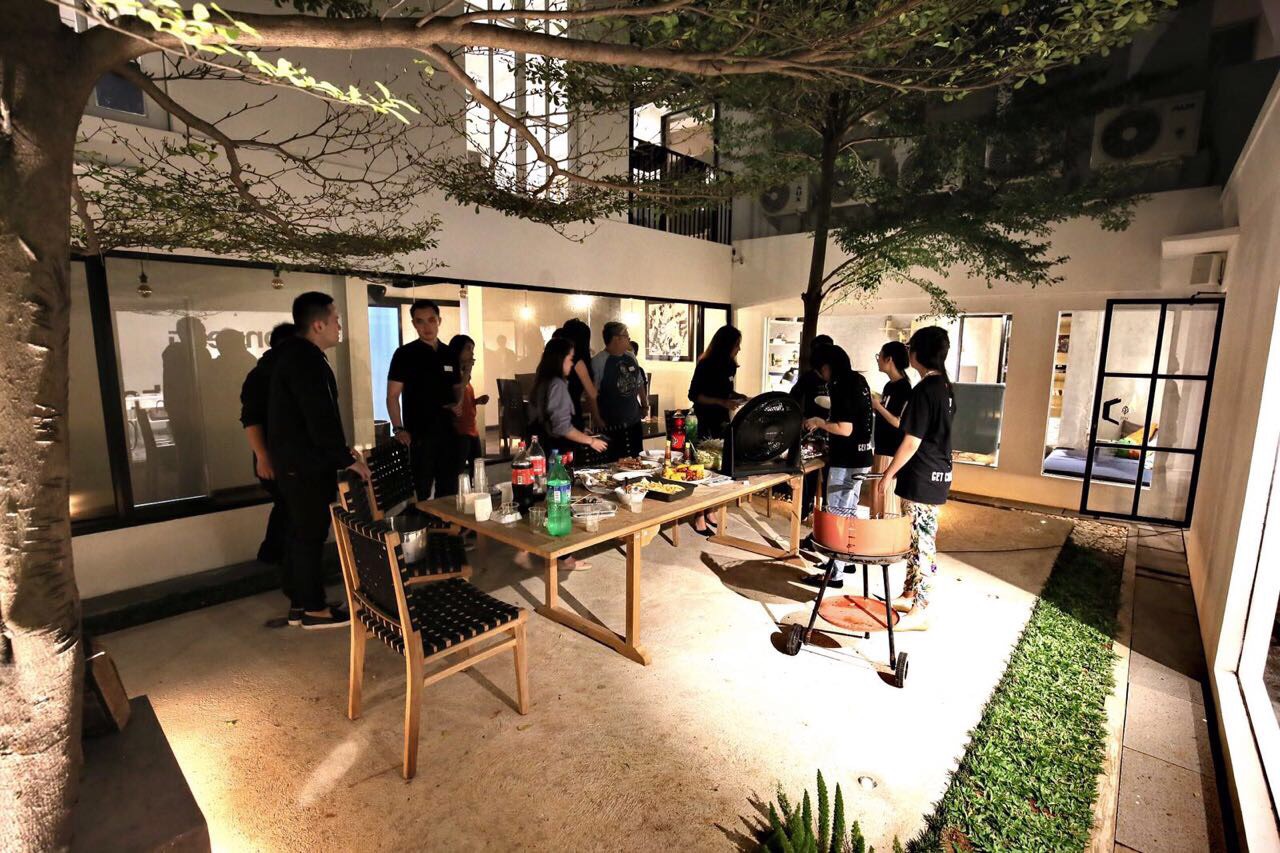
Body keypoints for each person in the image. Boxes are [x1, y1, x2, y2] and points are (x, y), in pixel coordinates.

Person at [269, 292, 369, 629]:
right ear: (318, 325)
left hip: (297, 462)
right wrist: (344, 457)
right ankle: (314, 609)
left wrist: (342, 451)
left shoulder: (296, 356)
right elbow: (319, 416)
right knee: (309, 534)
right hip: (304, 465)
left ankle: (302, 602)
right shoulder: (304, 360)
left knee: (302, 533)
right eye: (336, 319)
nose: (340, 326)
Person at [876, 326, 955, 632]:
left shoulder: (925, 390)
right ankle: (909, 594)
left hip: (923, 475)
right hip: (937, 471)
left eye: (911, 347)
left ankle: (921, 608)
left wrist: (888, 474)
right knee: (916, 538)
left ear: (920, 353)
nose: (908, 352)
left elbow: (911, 441)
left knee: (923, 543)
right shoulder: (945, 386)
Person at [519, 337, 608, 572]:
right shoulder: (557, 384)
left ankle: (531, 549)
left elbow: (549, 420)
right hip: (554, 452)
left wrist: (580, 432)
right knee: (559, 501)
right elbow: (561, 427)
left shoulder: (541, 381)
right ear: (560, 359)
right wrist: (591, 441)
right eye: (569, 359)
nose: (571, 364)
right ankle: (564, 559)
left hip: (539, 450)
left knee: (543, 499)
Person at [799, 345, 874, 589]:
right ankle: (846, 560)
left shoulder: (840, 384)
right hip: (863, 456)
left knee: (836, 515)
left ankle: (834, 574)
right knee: (849, 511)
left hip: (847, 459)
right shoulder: (859, 380)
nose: (822, 376)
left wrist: (819, 422)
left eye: (821, 371)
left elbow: (844, 428)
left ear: (826, 366)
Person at [387, 299, 462, 500]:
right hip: (419, 433)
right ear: (414, 324)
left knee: (449, 488)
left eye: (431, 320)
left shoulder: (449, 353)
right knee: (420, 489)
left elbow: (457, 386)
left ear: (439, 321)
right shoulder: (404, 354)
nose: (426, 326)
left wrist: (458, 403)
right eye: (420, 321)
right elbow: (392, 396)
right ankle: (421, 519)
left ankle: (445, 519)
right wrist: (398, 428)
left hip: (448, 430)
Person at [239, 322, 296, 569]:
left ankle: (276, 556)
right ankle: (273, 555)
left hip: (283, 455)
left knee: (287, 506)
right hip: (275, 456)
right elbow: (251, 419)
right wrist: (263, 457)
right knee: (287, 505)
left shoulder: (278, 371)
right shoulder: (263, 374)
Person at [688, 324, 746, 534]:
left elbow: (725, 391)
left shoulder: (730, 365)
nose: (739, 348)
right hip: (705, 420)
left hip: (722, 421)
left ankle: (711, 510)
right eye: (737, 344)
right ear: (726, 345)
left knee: (720, 467)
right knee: (704, 467)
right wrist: (723, 402)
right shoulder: (705, 364)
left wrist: (738, 397)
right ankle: (699, 515)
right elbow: (694, 395)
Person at [161, 316, 212, 497]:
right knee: (192, 459)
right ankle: (192, 495)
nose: (205, 335)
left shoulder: (174, 353)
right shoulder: (191, 354)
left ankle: (191, 494)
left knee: (188, 458)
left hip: (183, 414)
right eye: (202, 331)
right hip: (190, 416)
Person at [789, 334, 834, 526]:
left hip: (832, 432)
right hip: (810, 432)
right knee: (809, 472)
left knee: (831, 476)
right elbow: (792, 401)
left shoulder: (837, 378)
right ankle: (804, 509)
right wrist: (802, 420)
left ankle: (827, 515)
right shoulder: (807, 378)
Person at [591, 321, 648, 461]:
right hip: (611, 423)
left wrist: (644, 404)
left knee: (636, 460)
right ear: (617, 338)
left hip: (633, 420)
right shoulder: (598, 361)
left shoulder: (630, 356)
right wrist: (597, 418)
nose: (629, 339)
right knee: (615, 462)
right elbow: (591, 394)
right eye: (626, 336)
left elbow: (639, 382)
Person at [870, 340, 912, 517]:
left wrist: (878, 406)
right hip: (881, 447)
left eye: (879, 356)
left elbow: (898, 422)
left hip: (891, 451)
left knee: (886, 502)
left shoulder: (904, 387)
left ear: (889, 359)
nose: (878, 360)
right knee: (877, 500)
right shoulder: (889, 386)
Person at [448, 334, 490, 471]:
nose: (472, 353)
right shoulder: (452, 374)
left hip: (472, 428)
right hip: (460, 430)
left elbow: (465, 398)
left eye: (472, 349)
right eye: (468, 348)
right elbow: (457, 396)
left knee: (478, 469)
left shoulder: (464, 374)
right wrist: (468, 371)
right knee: (458, 470)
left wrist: (476, 401)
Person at [555, 318, 603, 430]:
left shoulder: (553, 359)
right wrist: (597, 418)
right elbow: (591, 394)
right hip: (570, 415)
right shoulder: (578, 362)